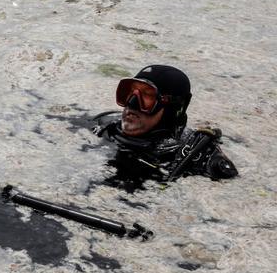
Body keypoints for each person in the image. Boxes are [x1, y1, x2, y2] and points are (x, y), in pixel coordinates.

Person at [93, 64, 238, 186]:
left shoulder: (198, 158)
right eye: (129, 93)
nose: (131, 104)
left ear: (171, 108)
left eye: (147, 97)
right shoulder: (104, 126)